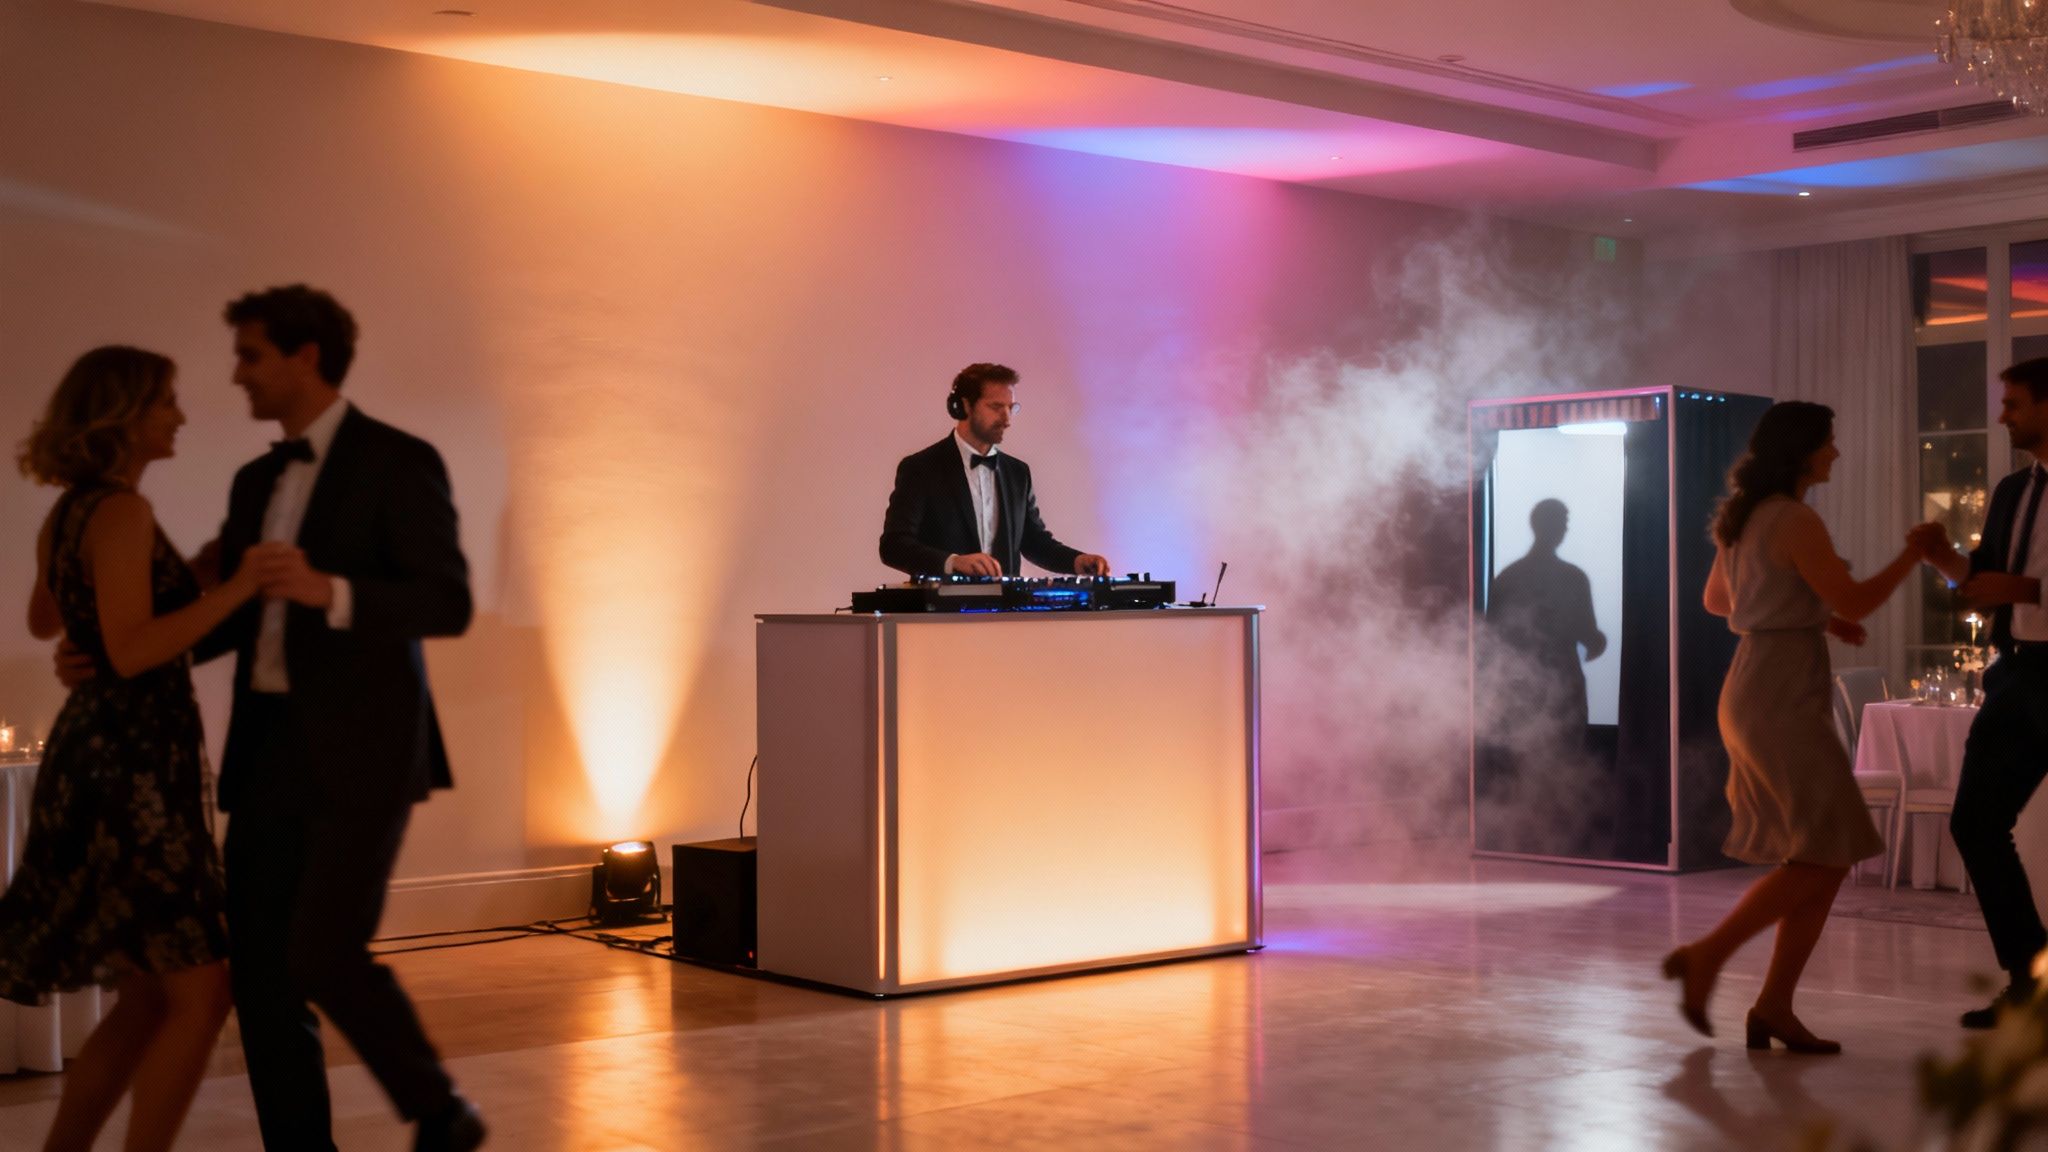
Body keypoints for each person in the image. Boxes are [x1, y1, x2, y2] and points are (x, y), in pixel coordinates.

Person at [60, 288, 483, 1148]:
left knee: (323, 952)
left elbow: (446, 601)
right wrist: (110, 658)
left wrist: (332, 591)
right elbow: (236, 617)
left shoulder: (400, 461)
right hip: (267, 754)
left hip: (367, 750)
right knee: (258, 976)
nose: (237, 375)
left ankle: (440, 1111)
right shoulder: (255, 480)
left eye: (250, 355)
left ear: (305, 356)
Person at [4, 346, 291, 1152]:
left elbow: (46, 620)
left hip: (99, 755)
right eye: (166, 401)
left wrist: (179, 583)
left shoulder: (73, 510)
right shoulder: (122, 511)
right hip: (130, 768)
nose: (180, 416)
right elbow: (131, 651)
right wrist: (237, 587)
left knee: (146, 997)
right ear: (125, 414)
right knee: (201, 993)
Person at [1661, 401, 1939, 1053]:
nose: (1836, 452)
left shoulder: (1747, 515)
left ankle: (1774, 1006)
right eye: (1829, 442)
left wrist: (1810, 615)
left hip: (1755, 681)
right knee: (1825, 849)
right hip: (1779, 691)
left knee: (1824, 853)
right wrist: (1914, 555)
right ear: (1804, 450)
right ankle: (1707, 957)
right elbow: (1857, 600)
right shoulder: (1794, 518)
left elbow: (1718, 600)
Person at [1917, 357, 2048, 1029]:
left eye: (2015, 404)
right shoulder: (2012, 490)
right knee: (1975, 822)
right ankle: (2031, 981)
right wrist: (1944, 559)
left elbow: (2014, 585)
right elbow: (1984, 582)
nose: (2002, 416)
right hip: (2019, 673)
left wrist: (2025, 589)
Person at [879, 362, 1110, 578]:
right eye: (996, 407)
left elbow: (1034, 542)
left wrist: (1076, 561)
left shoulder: (1018, 473)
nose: (1007, 419)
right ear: (965, 406)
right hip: (942, 607)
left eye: (1011, 408)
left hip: (1005, 607)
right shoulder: (921, 468)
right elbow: (893, 546)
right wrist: (953, 562)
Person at [1486, 498, 1607, 733]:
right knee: (1565, 750)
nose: (1565, 529)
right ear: (1553, 527)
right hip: (1563, 682)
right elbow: (1588, 635)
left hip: (1517, 687)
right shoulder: (1573, 577)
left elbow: (1492, 636)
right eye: (1563, 523)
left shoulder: (1508, 577)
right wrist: (1598, 641)